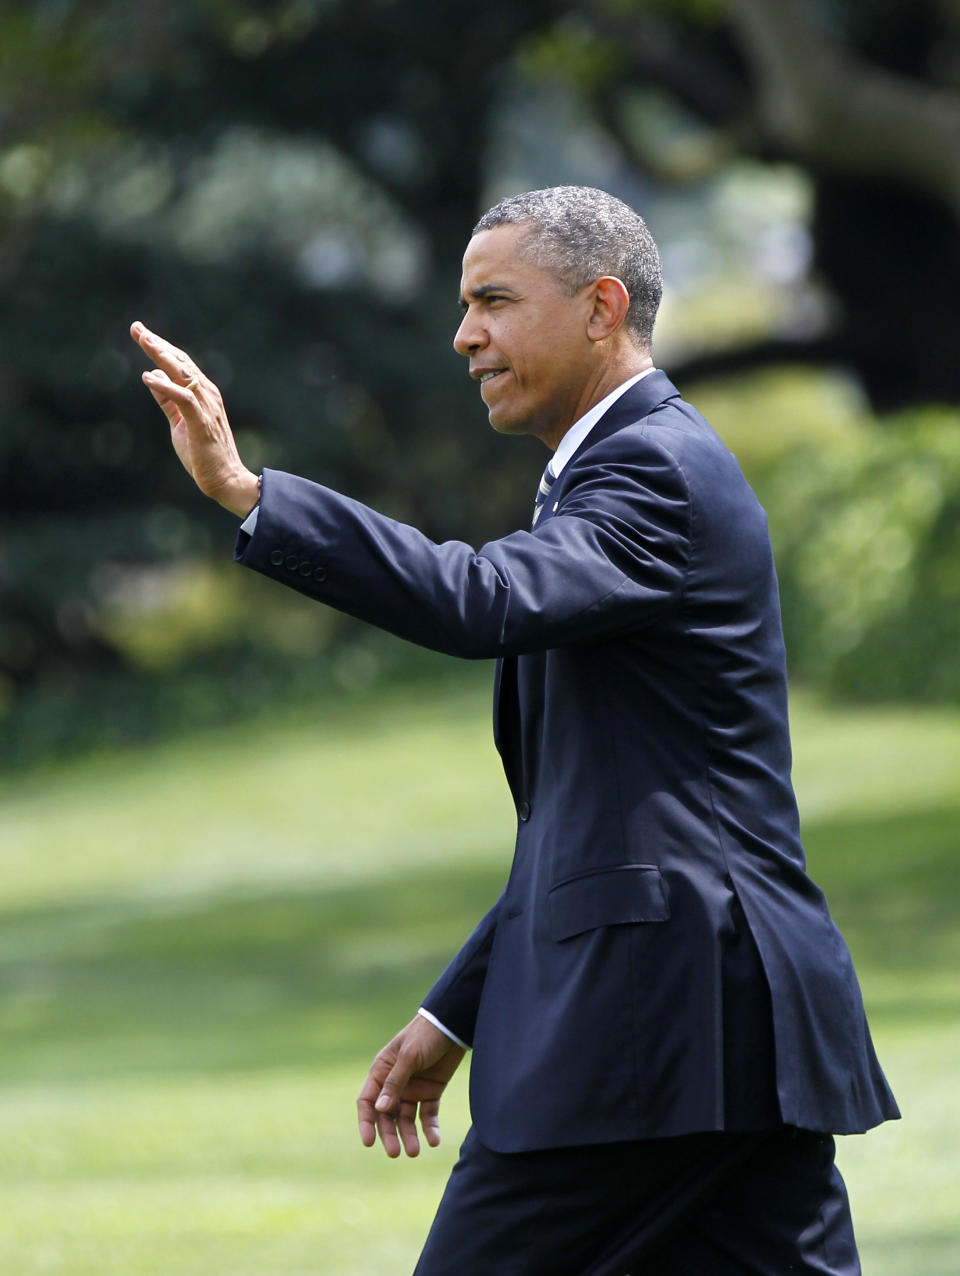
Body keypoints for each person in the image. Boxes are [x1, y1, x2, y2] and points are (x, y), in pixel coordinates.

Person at [131, 185, 898, 1275]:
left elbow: (478, 598)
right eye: (464, 304)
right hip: (716, 1034)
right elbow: (596, 820)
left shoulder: (654, 471)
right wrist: (456, 1011)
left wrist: (254, 495)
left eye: (493, 299)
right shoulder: (611, 473)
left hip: (657, 1037)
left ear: (599, 306)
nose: (464, 335)